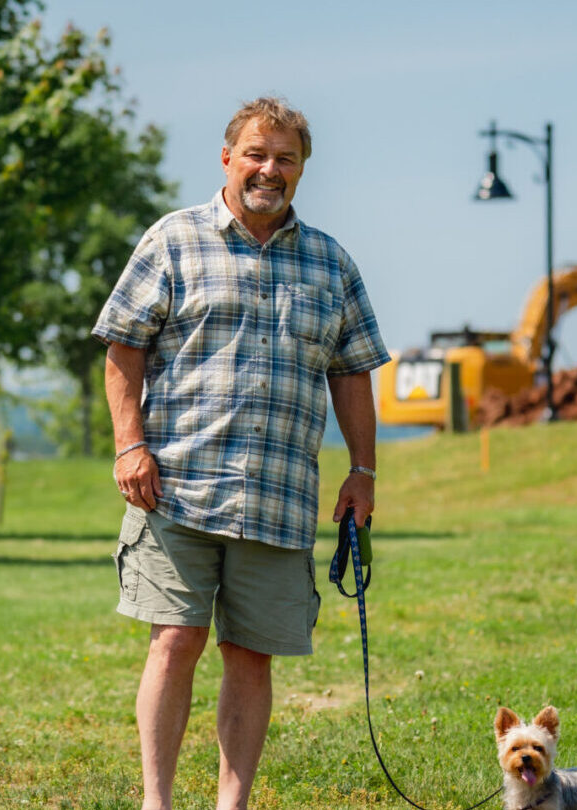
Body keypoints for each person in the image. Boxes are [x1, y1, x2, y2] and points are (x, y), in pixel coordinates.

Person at [92, 96, 388, 810]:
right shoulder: (173, 240)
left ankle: (233, 805)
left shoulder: (330, 262)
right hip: (176, 486)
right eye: (256, 153)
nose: (269, 169)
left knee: (251, 655)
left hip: (280, 492)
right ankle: (156, 802)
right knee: (174, 642)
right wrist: (130, 444)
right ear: (227, 158)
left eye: (285, 158)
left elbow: (351, 372)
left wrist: (363, 470)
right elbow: (123, 347)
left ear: (301, 170)